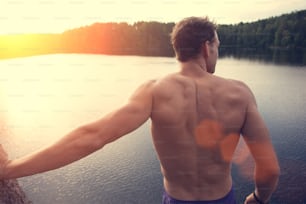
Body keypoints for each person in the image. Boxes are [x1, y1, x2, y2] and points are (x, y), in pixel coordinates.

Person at [0, 17, 279, 204]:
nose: (217, 51)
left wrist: (10, 169)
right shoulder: (240, 93)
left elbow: (89, 137)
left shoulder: (154, 91)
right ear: (207, 48)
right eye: (218, 45)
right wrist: (258, 198)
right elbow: (268, 168)